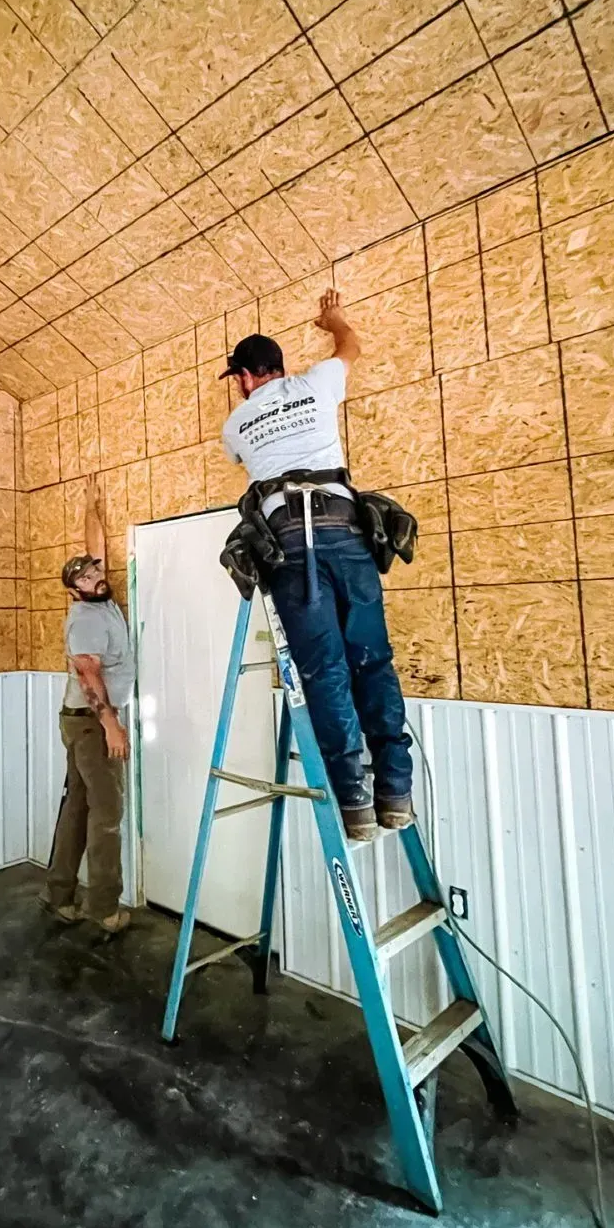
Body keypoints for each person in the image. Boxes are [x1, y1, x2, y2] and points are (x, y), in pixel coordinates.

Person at [220, 287, 414, 843]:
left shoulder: (237, 424)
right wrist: (332, 319)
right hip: (345, 533)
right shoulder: (316, 383)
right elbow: (352, 345)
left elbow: (238, 458)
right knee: (373, 661)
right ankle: (395, 794)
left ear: (245, 377)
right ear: (278, 367)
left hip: (289, 546)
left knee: (325, 671)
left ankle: (354, 802)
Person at [41, 474, 133, 933]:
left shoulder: (103, 599)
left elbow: (94, 548)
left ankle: (58, 892)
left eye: (96, 572)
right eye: (85, 577)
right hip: (91, 722)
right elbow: (88, 675)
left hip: (80, 723)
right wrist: (112, 726)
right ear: (73, 590)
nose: (97, 577)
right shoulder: (84, 619)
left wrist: (91, 505)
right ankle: (103, 908)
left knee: (78, 807)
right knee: (107, 814)